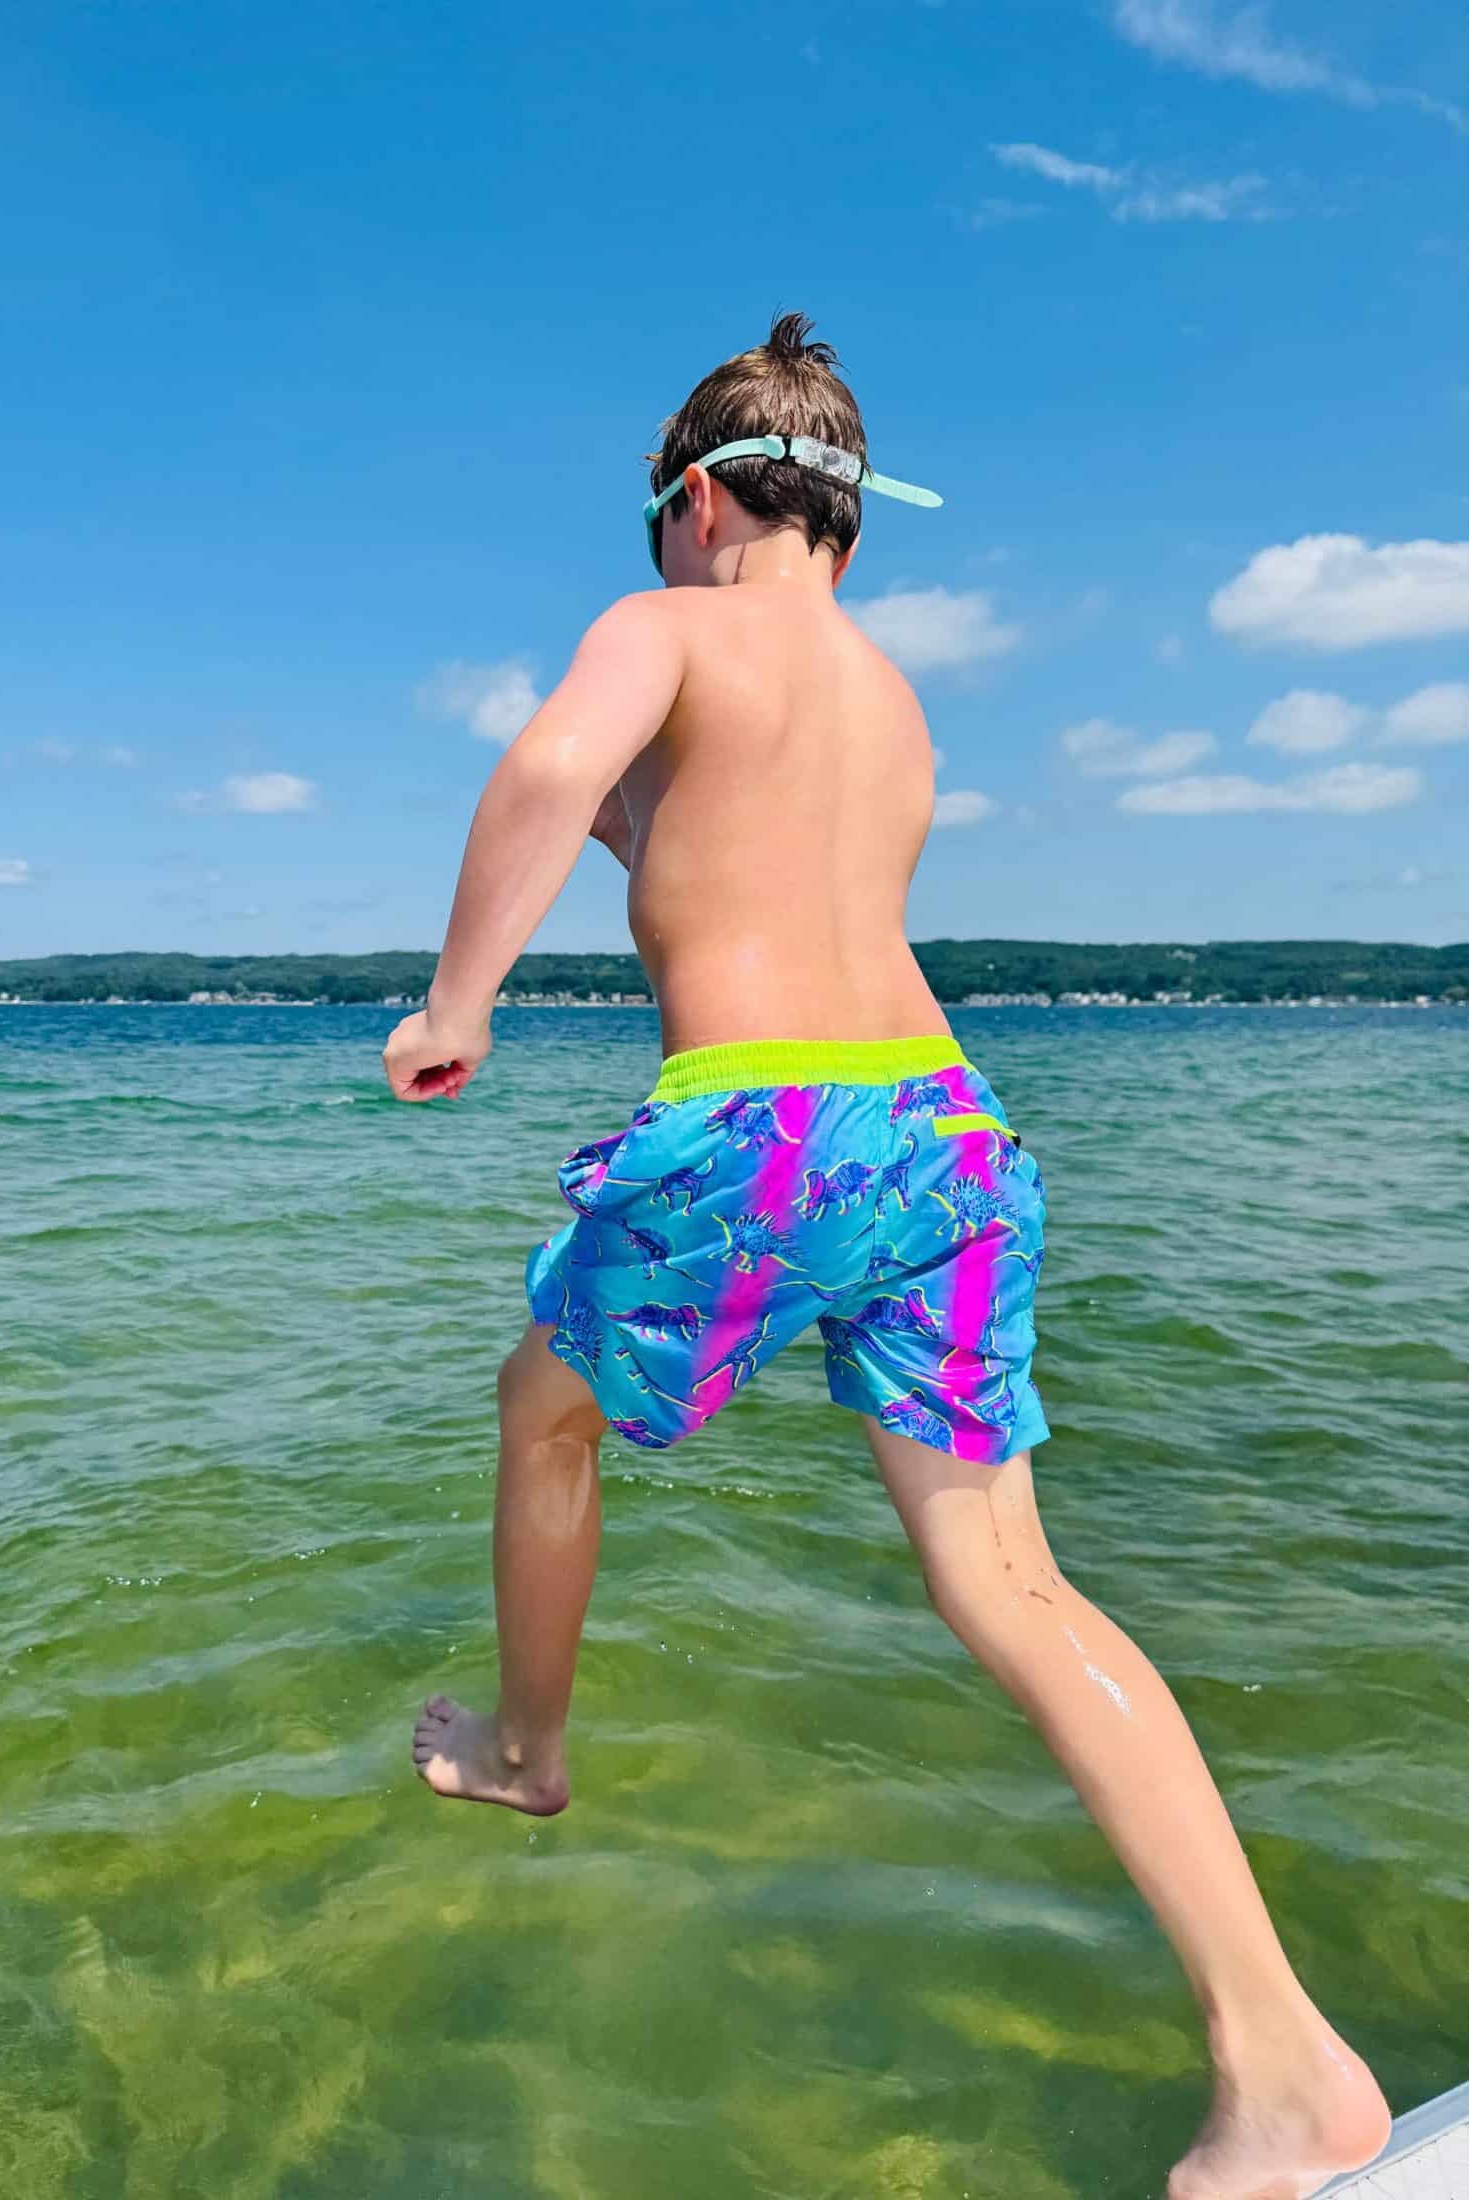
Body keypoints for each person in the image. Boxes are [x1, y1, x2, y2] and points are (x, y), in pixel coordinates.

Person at [381, 313, 1390, 2200]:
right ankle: (1281, 2057)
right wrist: (618, 820)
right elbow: (714, 854)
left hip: (768, 1126)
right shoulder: (889, 697)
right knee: (1014, 1585)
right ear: (843, 522)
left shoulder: (660, 623)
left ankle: (526, 1753)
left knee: (542, 1418)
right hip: (946, 1134)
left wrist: (460, 1003)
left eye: (658, 525)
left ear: (695, 503)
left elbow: (546, 770)